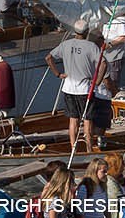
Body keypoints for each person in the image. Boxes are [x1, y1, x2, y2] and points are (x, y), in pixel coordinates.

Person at [47, 20, 105, 152]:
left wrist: (58, 74)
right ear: (86, 32)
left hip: (68, 88)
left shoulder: (65, 44)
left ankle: (73, 148)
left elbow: (48, 57)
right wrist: (98, 81)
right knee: (87, 120)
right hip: (85, 89)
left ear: (75, 31)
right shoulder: (91, 47)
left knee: (73, 119)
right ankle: (89, 148)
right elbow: (104, 64)